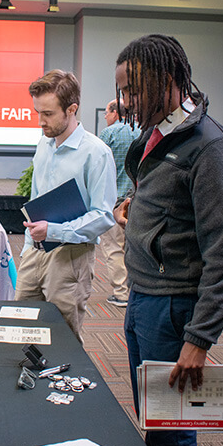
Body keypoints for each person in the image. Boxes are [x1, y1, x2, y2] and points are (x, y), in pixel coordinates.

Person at [114, 34, 223, 446]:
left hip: (174, 311)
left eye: (133, 91)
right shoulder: (163, 132)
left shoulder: (210, 147)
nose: (126, 102)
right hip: (144, 298)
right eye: (123, 93)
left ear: (167, 80)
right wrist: (136, 212)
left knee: (171, 434)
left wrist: (199, 339)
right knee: (155, 421)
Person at [14, 69, 117, 341]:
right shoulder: (43, 146)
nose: (40, 121)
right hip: (35, 251)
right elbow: (36, 200)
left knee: (62, 337)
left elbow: (104, 215)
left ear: (72, 109)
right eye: (38, 112)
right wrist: (27, 249)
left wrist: (55, 231)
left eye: (48, 114)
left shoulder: (96, 153)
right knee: (20, 328)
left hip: (71, 257)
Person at [98, 99, 140, 306]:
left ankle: (121, 293)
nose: (105, 117)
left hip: (113, 201)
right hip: (137, 201)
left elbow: (96, 167)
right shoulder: (140, 132)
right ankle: (134, 290)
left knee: (114, 248)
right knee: (133, 249)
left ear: (115, 113)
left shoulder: (108, 134)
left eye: (106, 113)